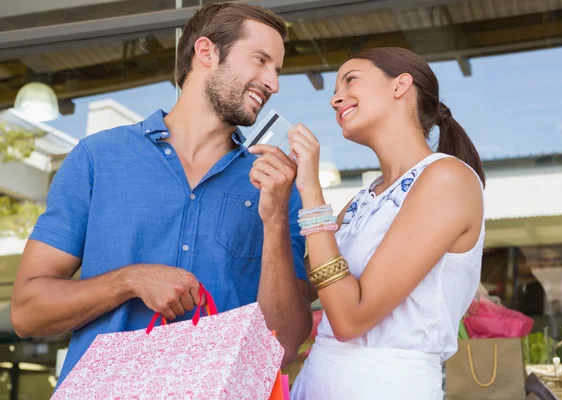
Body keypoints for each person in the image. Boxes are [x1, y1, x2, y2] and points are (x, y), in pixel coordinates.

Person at [10, 2, 312, 389]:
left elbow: (284, 344)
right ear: (206, 52)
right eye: (260, 60)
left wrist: (273, 219)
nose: (273, 83)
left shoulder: (278, 183)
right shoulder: (98, 158)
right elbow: (27, 312)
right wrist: (128, 281)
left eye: (277, 69)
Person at [284, 47, 486, 399]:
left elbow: (350, 319)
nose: (335, 99)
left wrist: (311, 191)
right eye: (334, 90)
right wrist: (273, 209)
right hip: (314, 384)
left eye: (350, 80)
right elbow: (298, 294)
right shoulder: (364, 199)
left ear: (400, 85)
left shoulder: (447, 178)